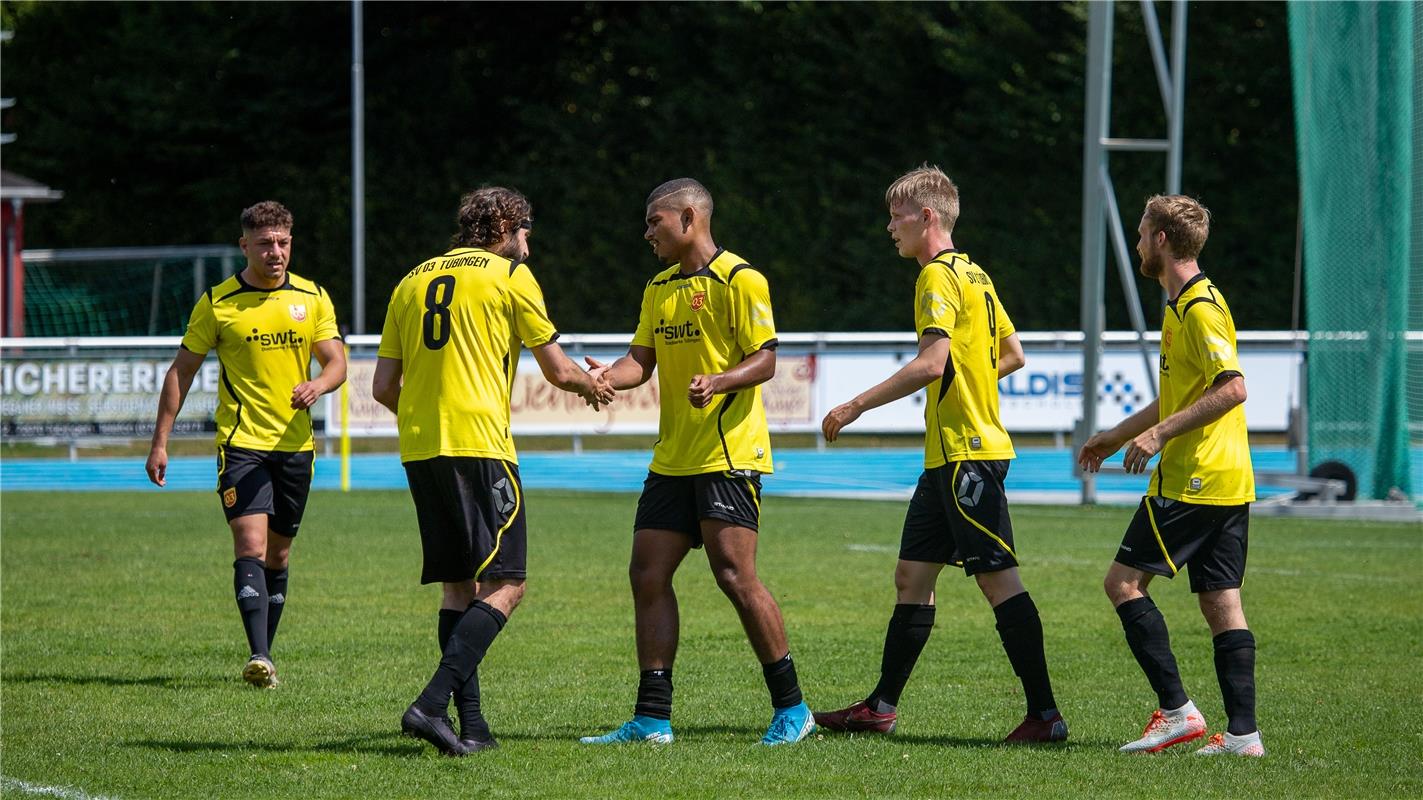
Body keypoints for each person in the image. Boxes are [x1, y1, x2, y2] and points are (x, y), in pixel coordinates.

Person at [813, 164, 1066, 743]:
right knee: (912, 578)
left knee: (998, 581)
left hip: (967, 456)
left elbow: (932, 364)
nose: (889, 227)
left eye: (896, 215)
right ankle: (880, 706)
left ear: (927, 216)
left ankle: (1046, 715)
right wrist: (971, 382)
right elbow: (1014, 353)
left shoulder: (935, 278)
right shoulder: (975, 273)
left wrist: (854, 406)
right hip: (948, 458)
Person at [372, 186, 611, 757]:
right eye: (524, 232)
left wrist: (427, 418)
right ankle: (430, 706)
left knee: (460, 586)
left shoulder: (411, 280)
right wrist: (593, 383)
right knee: (507, 584)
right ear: (503, 225)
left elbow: (383, 388)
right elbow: (556, 370)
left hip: (421, 448)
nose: (527, 247)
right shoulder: (508, 277)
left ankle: (472, 727)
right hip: (480, 444)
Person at [578, 178, 815, 747]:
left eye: (654, 222)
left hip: (728, 453)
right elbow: (642, 360)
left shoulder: (741, 279)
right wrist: (609, 376)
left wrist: (720, 380)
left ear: (688, 218)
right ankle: (653, 720)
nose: (647, 234)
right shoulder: (658, 287)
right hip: (673, 459)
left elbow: (765, 361)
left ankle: (794, 709)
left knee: (735, 577)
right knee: (647, 574)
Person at [1077, 195, 1264, 757]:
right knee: (1220, 602)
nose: (1136, 244)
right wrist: (1115, 436)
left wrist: (1159, 437)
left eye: (1140, 234)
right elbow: (1178, 396)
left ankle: (1178, 711)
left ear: (1162, 239)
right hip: (1229, 482)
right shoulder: (1181, 305)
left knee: (1122, 584)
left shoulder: (1199, 307)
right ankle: (1242, 736)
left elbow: (1232, 387)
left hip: (1194, 481)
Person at [146, 201, 347, 689]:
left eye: (282, 242)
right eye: (265, 244)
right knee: (251, 545)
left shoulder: (312, 297)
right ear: (245, 246)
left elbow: (337, 363)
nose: (275, 252)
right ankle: (258, 656)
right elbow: (182, 371)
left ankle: (266, 653)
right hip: (242, 445)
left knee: (278, 556)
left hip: (296, 447)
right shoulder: (218, 303)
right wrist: (160, 442)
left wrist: (318, 386)